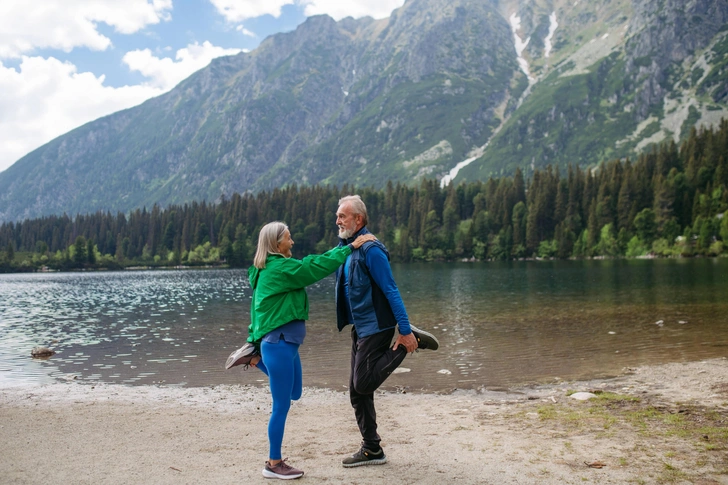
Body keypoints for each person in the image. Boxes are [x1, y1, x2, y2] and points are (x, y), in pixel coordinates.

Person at [226, 221, 375, 480]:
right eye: (288, 238)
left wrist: (253, 339)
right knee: (281, 406)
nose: (292, 242)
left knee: (295, 393)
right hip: (279, 344)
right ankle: (274, 463)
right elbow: (313, 267)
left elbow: (257, 311)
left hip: (287, 345)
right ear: (276, 243)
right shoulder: (279, 268)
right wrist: (349, 248)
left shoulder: (271, 269)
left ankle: (254, 358)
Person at [333, 195, 439, 468]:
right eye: (337, 215)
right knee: (357, 392)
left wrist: (403, 330)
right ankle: (372, 449)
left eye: (343, 216)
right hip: (361, 327)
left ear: (359, 219)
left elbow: (391, 290)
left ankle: (408, 342)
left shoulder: (372, 250)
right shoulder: (348, 247)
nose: (338, 220)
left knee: (363, 383)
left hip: (377, 326)